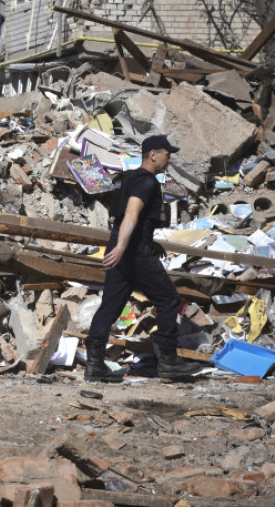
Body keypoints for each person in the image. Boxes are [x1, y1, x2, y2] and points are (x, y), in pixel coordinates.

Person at [84, 135, 199, 382]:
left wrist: (144, 241)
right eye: (167, 156)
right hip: (132, 250)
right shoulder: (146, 183)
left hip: (125, 245)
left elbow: (133, 220)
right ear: (153, 154)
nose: (169, 161)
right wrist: (125, 247)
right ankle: (167, 361)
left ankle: (94, 365)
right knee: (168, 299)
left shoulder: (128, 179)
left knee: (110, 306)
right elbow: (132, 214)